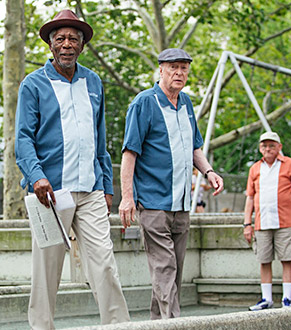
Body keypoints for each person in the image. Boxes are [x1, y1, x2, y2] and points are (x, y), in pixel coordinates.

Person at [15, 9, 130, 330]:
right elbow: (23, 138)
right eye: (61, 39)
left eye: (73, 39)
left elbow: (100, 138)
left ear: (82, 45)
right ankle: (42, 327)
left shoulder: (92, 81)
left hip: (91, 189)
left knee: (104, 264)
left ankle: (119, 326)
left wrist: (107, 187)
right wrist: (36, 175)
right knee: (47, 270)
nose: (67, 44)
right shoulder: (33, 84)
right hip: (50, 193)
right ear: (51, 45)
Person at [119, 48, 224, 319]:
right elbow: (129, 153)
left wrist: (209, 171)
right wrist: (127, 197)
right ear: (161, 70)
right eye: (173, 67)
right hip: (153, 203)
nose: (179, 73)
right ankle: (177, 324)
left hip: (182, 203)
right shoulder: (144, 103)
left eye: (184, 68)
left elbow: (194, 147)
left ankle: (158, 323)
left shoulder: (186, 102)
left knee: (171, 274)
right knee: (165, 269)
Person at [243, 131, 291, 310]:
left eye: (272, 145)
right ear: (260, 148)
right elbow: (250, 197)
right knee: (264, 260)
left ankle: (287, 298)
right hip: (262, 222)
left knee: (286, 258)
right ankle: (266, 298)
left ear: (279, 147)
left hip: (285, 221)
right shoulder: (255, 168)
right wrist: (247, 223)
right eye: (264, 145)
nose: (268, 149)